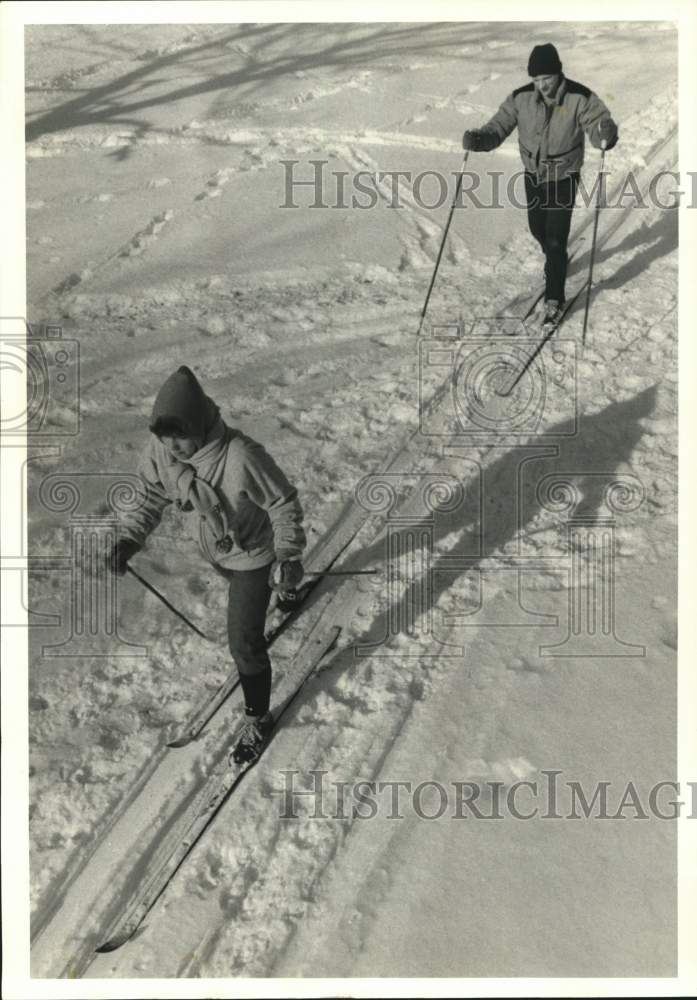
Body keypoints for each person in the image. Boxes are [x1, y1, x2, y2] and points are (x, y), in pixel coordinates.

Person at [106, 365, 306, 764]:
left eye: (180, 436)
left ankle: (258, 718)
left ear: (199, 425)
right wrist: (129, 539)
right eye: (165, 436)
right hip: (218, 552)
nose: (173, 446)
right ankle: (284, 589)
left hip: (254, 553)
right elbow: (150, 496)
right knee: (249, 601)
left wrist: (287, 554)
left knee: (244, 643)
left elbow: (282, 503)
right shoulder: (162, 453)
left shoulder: (241, 457)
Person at [463, 42, 618, 328]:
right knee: (539, 230)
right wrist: (481, 139)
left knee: (556, 239)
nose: (542, 85)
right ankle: (555, 261)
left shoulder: (579, 97)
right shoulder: (520, 98)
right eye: (536, 79)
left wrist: (604, 133)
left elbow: (598, 122)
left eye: (546, 78)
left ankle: (554, 298)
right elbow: (499, 126)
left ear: (558, 73)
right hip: (533, 176)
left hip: (564, 176)